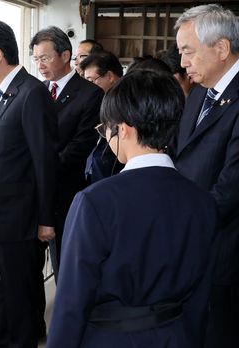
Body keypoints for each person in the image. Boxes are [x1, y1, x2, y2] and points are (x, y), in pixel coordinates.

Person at [47, 69, 219, 348]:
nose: (105, 137)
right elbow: (201, 298)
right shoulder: (203, 202)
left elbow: (72, 300)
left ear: (123, 129)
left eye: (105, 129)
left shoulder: (94, 202)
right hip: (176, 337)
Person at [0, 19, 58, 348]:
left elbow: (45, 162)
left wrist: (47, 219)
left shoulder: (31, 95)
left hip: (15, 222)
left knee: (17, 300)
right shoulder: (5, 95)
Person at [173, 4, 239, 347]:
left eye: (188, 51)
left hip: (224, 249)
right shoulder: (199, 92)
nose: (183, 62)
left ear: (222, 48)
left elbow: (231, 188)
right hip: (193, 241)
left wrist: (181, 225)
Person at [30, 26, 104, 283]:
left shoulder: (90, 93)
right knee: (30, 266)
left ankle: (66, 314)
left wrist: (45, 169)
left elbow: (83, 142)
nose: (40, 65)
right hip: (35, 191)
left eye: (45, 58)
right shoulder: (36, 91)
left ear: (64, 55)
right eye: (36, 59)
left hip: (65, 189)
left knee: (65, 261)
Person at [80, 51, 124, 184]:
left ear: (110, 76)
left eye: (91, 80)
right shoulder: (97, 103)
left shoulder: (126, 102)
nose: (87, 86)